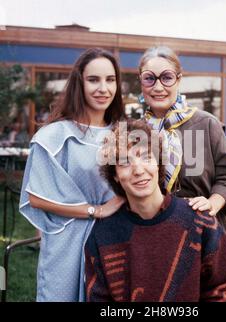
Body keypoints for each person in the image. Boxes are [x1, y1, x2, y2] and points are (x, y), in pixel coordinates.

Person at [85, 119, 226, 302]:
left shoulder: (199, 222)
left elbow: (222, 292)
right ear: (115, 176)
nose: (138, 170)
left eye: (146, 157)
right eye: (125, 163)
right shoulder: (103, 235)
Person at [138, 46, 226, 299]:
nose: (158, 86)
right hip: (152, 235)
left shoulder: (206, 123)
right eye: (149, 78)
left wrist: (211, 203)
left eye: (166, 77)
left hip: (203, 233)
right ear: (141, 82)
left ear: (178, 79)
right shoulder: (135, 130)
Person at [19, 48, 125, 301]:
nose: (103, 88)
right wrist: (95, 210)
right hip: (65, 245)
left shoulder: (125, 134)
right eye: (93, 80)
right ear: (80, 82)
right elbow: (36, 198)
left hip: (115, 241)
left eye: (110, 80)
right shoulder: (54, 135)